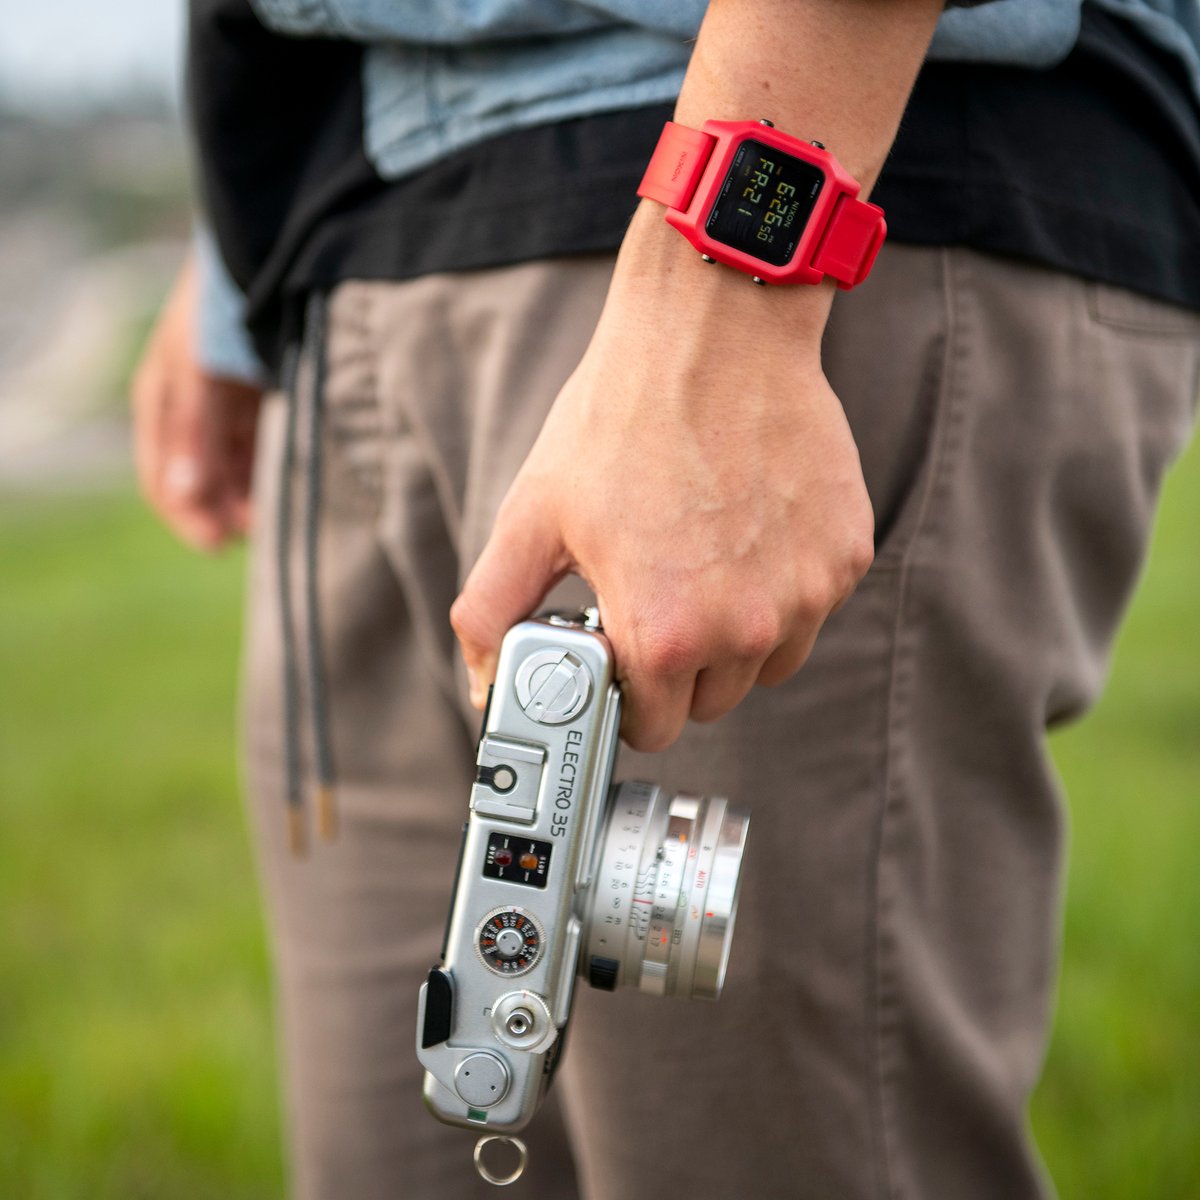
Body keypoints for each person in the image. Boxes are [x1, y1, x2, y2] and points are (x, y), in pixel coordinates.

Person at [133, 0, 1200, 1196]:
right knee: (418, 1130)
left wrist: (734, 267)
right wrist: (237, 260)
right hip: (352, 236)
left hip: (771, 168)